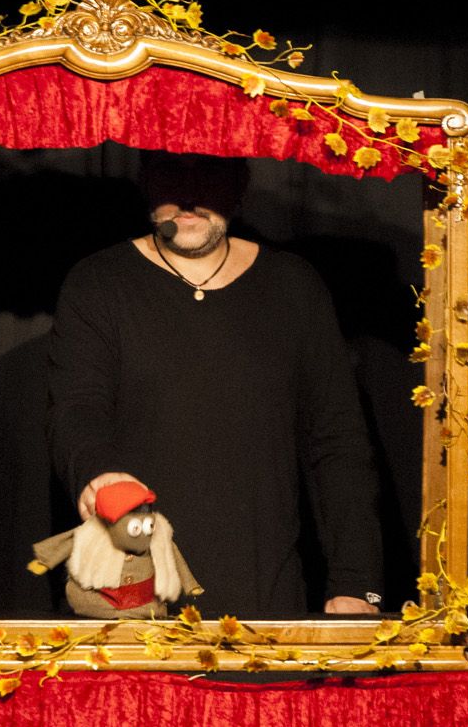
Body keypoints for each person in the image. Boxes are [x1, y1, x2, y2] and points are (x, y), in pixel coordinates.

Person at [47, 153, 384, 617]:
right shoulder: (99, 283)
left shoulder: (292, 286)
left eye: (207, 171)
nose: (189, 195)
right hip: (134, 601)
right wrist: (98, 472)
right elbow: (76, 409)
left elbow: (338, 442)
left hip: (264, 600)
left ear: (239, 181)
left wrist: (357, 583)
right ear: (146, 179)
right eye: (172, 171)